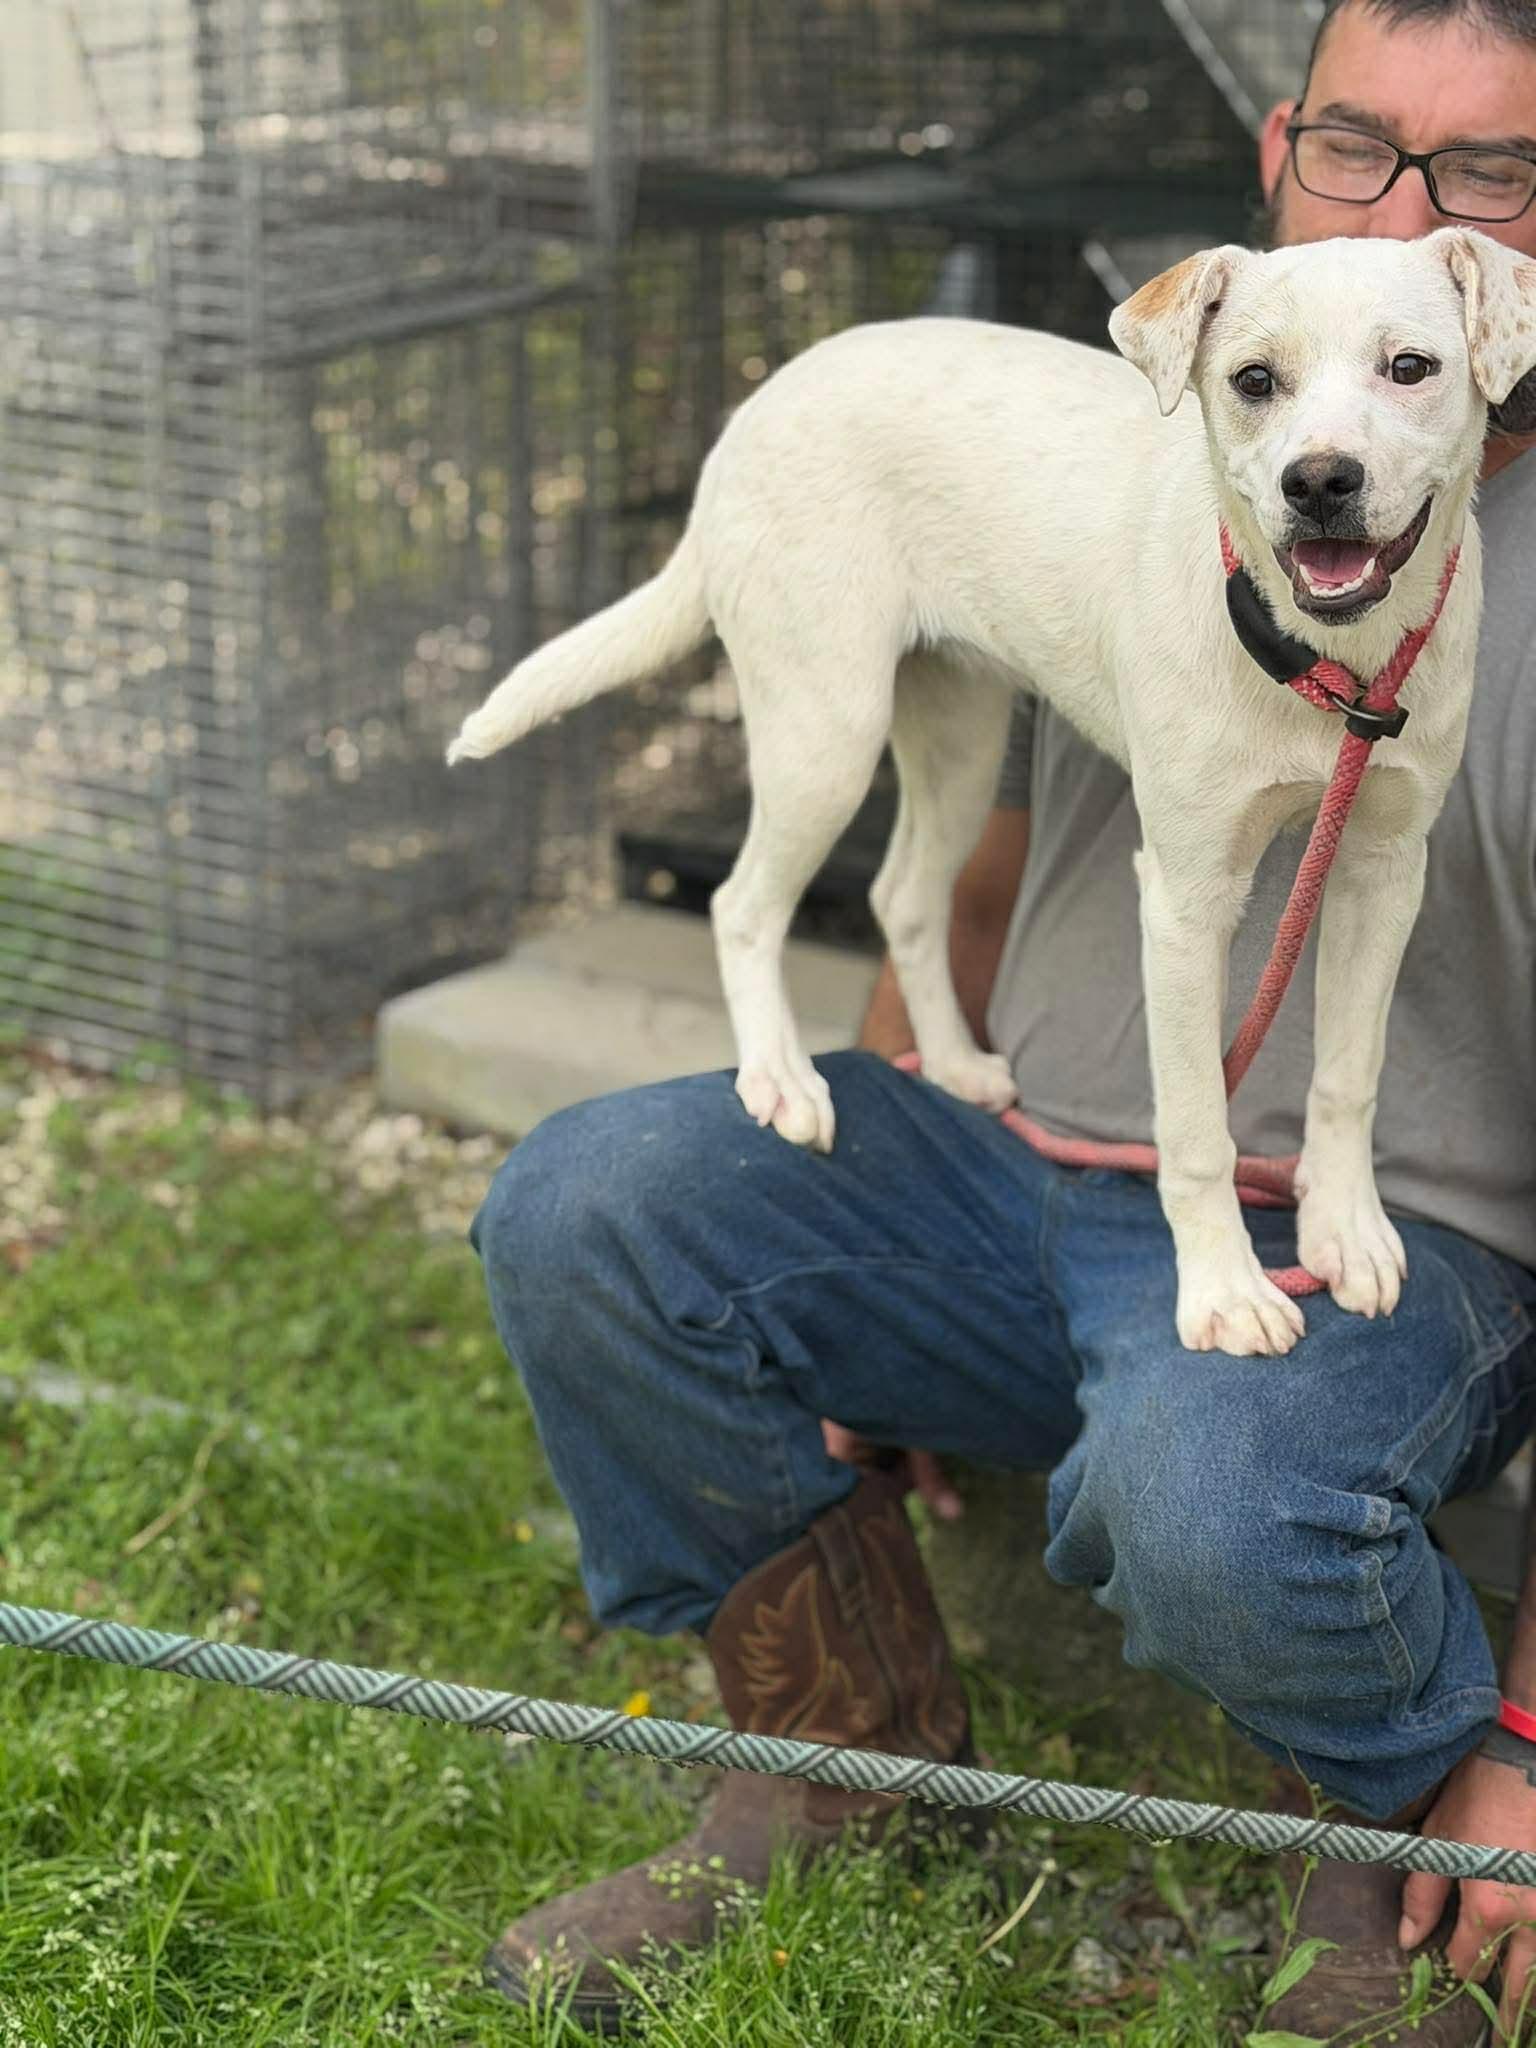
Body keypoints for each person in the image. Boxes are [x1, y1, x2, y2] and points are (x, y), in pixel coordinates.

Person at [468, 1, 1536, 2036]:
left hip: (1400, 1255)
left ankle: (1395, 1839)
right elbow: (971, 856)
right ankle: (839, 1750)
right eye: (1358, 145)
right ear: (1278, 152)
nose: (1402, 213)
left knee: (1211, 1495)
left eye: (1483, 174)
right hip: (1017, 1158)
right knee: (587, 1205)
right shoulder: (1183, 450)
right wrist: (860, 1225)